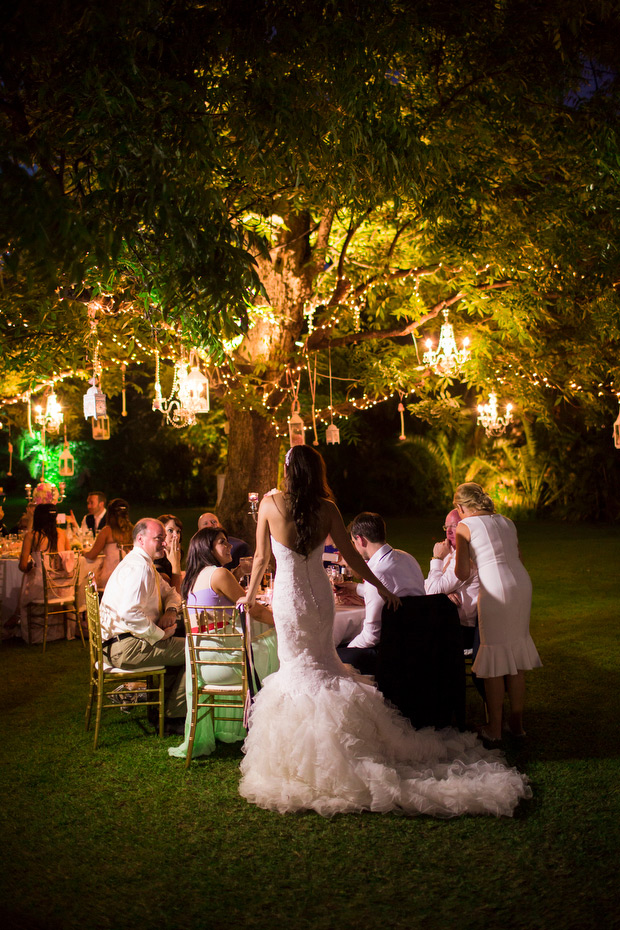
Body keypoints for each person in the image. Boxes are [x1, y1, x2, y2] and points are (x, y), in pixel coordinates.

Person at [236, 445, 531, 818]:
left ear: (288, 471)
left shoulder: (269, 504)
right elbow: (354, 556)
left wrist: (248, 595)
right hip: (320, 603)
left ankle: (311, 756)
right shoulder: (327, 509)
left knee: (298, 668)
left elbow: (261, 558)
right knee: (324, 666)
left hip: (290, 601)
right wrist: (382, 586)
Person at [169, 527, 277, 760]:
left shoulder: (193, 577)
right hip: (224, 665)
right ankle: (271, 725)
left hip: (204, 665)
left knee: (258, 638)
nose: (229, 546)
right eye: (222, 542)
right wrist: (282, 620)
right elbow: (254, 610)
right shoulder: (219, 574)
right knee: (275, 641)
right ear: (207, 549)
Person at [454, 482, 542, 742]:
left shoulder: (464, 526)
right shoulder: (507, 521)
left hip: (495, 588)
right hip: (521, 585)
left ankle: (494, 729)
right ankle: (517, 725)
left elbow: (461, 573)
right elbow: (518, 557)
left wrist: (467, 559)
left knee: (492, 656)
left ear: (460, 507)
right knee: (515, 655)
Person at [99, 518, 186, 734]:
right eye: (159, 539)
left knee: (183, 635)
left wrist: (171, 610)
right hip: (125, 647)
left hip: (124, 642)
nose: (164, 544)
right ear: (140, 539)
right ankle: (173, 717)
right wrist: (159, 634)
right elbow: (130, 613)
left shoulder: (143, 563)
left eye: (164, 539)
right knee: (194, 651)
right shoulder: (138, 568)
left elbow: (170, 592)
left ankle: (161, 710)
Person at [335, 511, 425, 675]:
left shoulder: (375, 575)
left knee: (334, 655)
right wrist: (355, 588)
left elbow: (371, 636)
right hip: (418, 642)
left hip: (389, 652)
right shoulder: (407, 558)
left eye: (354, 541)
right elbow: (400, 592)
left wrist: (346, 649)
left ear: (361, 539)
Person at [425, 508, 480, 649]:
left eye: (454, 526)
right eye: (446, 526)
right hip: (450, 624)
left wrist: (436, 558)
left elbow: (432, 591)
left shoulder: (465, 556)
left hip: (462, 631)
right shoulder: (451, 553)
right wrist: (444, 594)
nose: (448, 532)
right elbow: (428, 586)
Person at [83, 498, 133, 592]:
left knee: (86, 580)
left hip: (111, 577)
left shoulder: (107, 531)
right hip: (129, 576)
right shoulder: (133, 530)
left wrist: (83, 552)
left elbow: (92, 555)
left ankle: (86, 606)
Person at [154, 514, 184, 591]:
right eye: (170, 530)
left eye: (178, 531)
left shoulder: (174, 555)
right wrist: (175, 564)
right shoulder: (157, 564)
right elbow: (176, 595)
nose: (176, 536)